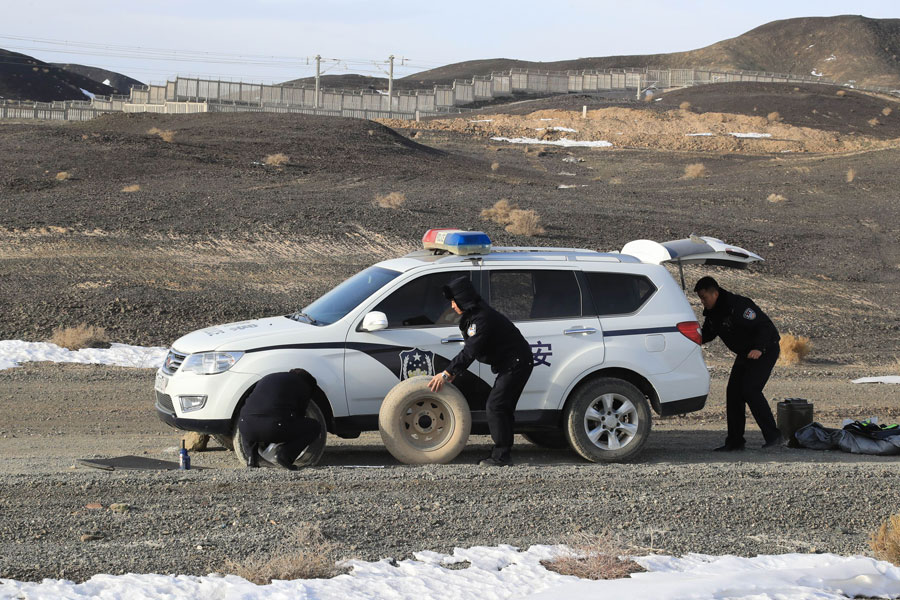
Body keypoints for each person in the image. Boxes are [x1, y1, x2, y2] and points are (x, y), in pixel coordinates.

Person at [428, 276, 533, 466]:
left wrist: (446, 374)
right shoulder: (473, 315)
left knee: (496, 406)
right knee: (503, 407)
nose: (452, 306)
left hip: (517, 364)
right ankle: (503, 451)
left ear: (463, 299)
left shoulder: (482, 318)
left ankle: (501, 457)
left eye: (454, 301)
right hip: (511, 363)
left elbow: (470, 351)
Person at [694, 276, 783, 451]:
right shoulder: (713, 313)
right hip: (746, 353)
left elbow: (765, 326)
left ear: (715, 294)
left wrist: (759, 348)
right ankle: (735, 442)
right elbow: (708, 334)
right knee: (733, 393)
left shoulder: (738, 305)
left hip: (765, 350)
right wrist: (691, 337)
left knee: (750, 390)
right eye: (700, 298)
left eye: (704, 298)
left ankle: (774, 437)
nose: (702, 302)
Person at [238, 369, 322, 470]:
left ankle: (252, 459)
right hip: (274, 428)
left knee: (251, 419)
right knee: (314, 427)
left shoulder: (267, 377)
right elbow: (300, 415)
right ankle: (285, 455)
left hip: (244, 426)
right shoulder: (304, 385)